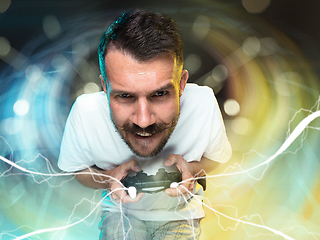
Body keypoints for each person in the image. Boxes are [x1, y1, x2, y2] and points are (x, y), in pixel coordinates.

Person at [58, 8, 232, 240]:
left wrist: (192, 169)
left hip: (182, 217)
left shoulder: (203, 103)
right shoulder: (85, 111)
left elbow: (217, 159)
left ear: (181, 85)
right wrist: (110, 177)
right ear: (104, 87)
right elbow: (78, 169)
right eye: (125, 96)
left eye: (159, 94)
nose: (143, 120)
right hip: (120, 216)